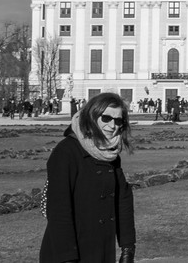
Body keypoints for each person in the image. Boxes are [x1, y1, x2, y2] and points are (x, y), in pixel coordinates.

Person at [40, 92, 136, 263]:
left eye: (118, 120)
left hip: (101, 249)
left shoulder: (111, 154)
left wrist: (128, 248)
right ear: (92, 116)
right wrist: (67, 258)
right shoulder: (67, 151)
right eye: (106, 118)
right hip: (69, 251)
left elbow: (123, 200)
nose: (112, 125)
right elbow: (59, 210)